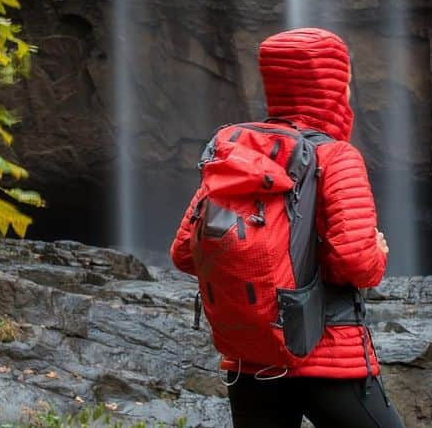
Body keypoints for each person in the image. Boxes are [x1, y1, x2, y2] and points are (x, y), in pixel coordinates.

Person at [170, 27, 405, 428]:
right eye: (346, 82)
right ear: (331, 87)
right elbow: (356, 263)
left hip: (251, 359)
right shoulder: (338, 157)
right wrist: (377, 251)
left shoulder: (235, 151)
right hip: (326, 357)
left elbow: (183, 253)